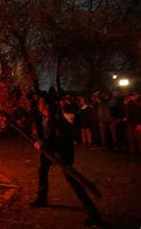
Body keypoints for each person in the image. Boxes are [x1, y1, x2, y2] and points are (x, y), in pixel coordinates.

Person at [30, 97, 101, 226]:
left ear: (45, 106)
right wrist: (42, 143)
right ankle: (42, 197)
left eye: (40, 103)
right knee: (42, 170)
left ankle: (93, 213)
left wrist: (43, 145)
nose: (38, 106)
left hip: (62, 153)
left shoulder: (57, 120)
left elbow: (60, 140)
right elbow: (46, 135)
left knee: (73, 180)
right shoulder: (43, 117)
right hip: (50, 151)